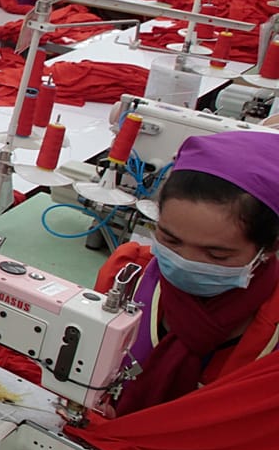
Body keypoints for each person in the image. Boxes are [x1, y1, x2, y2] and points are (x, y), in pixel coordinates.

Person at [92, 131, 279, 416]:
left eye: (216, 255)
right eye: (169, 240)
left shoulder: (272, 329)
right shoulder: (128, 274)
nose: (184, 261)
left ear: (269, 248)